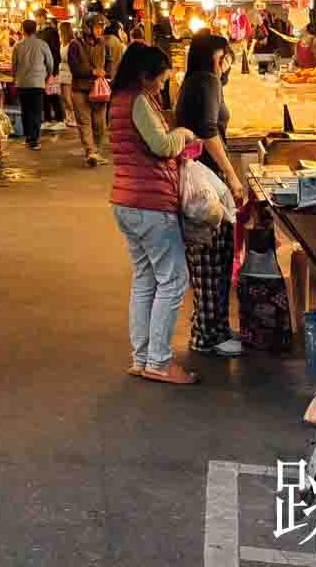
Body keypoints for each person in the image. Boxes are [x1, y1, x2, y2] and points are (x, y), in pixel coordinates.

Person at [109, 42, 198, 384]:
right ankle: (159, 362)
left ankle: (142, 357)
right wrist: (183, 134)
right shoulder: (138, 101)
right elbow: (161, 146)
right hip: (148, 203)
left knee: (145, 278)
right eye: (160, 80)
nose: (161, 86)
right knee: (173, 280)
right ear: (144, 76)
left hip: (126, 201)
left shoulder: (119, 100)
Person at [174, 32, 250, 357]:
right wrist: (231, 175)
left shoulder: (194, 81)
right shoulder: (207, 81)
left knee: (211, 256)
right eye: (224, 56)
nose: (227, 61)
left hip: (198, 177)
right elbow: (208, 131)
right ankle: (207, 335)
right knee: (211, 257)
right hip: (206, 181)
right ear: (214, 57)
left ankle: (214, 328)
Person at [66, 12, 122, 168]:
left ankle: (95, 150)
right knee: (84, 123)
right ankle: (90, 151)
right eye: (97, 27)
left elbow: (110, 62)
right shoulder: (75, 45)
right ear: (88, 28)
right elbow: (74, 68)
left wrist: (107, 73)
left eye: (101, 27)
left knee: (100, 124)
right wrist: (92, 72)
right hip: (80, 89)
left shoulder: (104, 43)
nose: (100, 30)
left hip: (99, 90)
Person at [12, 18, 52, 151]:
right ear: (35, 30)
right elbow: (50, 63)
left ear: (23, 30)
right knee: (36, 112)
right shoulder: (42, 44)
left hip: (22, 83)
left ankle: (29, 138)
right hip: (38, 83)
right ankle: (34, 140)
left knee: (26, 111)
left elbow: (14, 66)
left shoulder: (18, 46)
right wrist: (47, 76)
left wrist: (14, 78)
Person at [36, 12, 67, 128]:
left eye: (37, 17)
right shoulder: (38, 33)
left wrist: (53, 69)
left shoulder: (51, 32)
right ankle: (47, 119)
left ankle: (60, 120)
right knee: (44, 94)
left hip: (50, 67)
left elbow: (55, 51)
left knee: (53, 93)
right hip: (40, 67)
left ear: (42, 17)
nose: (36, 20)